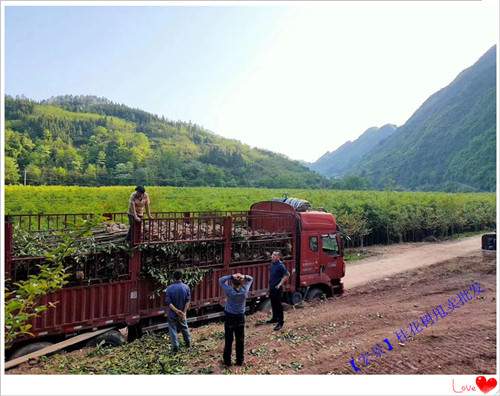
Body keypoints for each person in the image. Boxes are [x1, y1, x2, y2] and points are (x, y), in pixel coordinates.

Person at [219, 273, 253, 366]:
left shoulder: (229, 290)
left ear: (232, 283)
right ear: (241, 283)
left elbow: (221, 280)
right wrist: (244, 276)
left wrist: (230, 276)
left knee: (229, 340)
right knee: (240, 339)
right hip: (240, 317)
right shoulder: (244, 291)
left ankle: (227, 362)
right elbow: (251, 279)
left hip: (230, 317)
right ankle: (239, 361)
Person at [165, 270, 192, 353]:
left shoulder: (169, 288)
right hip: (182, 313)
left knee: (173, 329)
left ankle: (175, 347)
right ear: (181, 277)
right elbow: (188, 301)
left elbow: (169, 303)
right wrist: (184, 313)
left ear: (173, 278)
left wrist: (177, 311)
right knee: (184, 327)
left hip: (173, 314)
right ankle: (188, 344)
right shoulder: (186, 287)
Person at [267, 251, 290, 331]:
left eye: (274, 255)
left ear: (278, 257)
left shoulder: (281, 265)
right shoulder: (272, 264)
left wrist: (280, 284)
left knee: (278, 306)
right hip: (272, 288)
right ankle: (274, 318)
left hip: (277, 288)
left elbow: (287, 275)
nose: (272, 256)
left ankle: (280, 322)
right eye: (272, 255)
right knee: (273, 303)